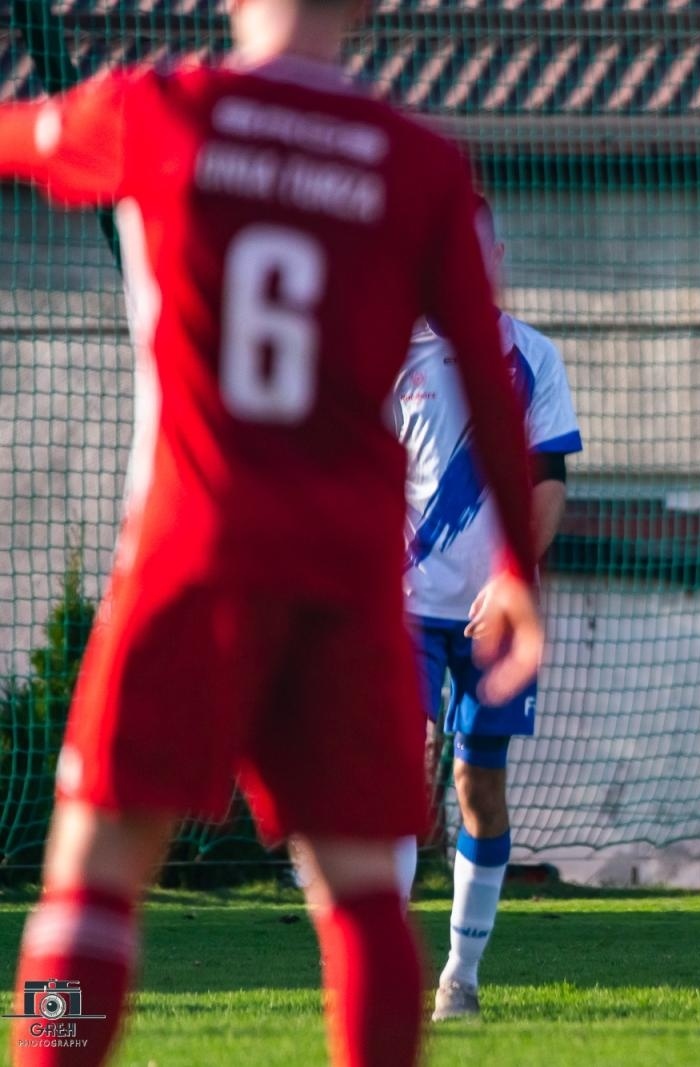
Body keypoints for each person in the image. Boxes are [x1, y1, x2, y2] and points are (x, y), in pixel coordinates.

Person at [0, 1, 547, 1064]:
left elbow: (22, 137)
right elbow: (491, 372)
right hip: (349, 575)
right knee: (358, 892)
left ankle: (47, 1052)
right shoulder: (419, 163)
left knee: (93, 869)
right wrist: (520, 567)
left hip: (192, 550)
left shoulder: (158, 111)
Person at [390, 201, 583, 1021]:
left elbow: (547, 487)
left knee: (480, 782)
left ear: (496, 257)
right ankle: (387, 973)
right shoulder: (384, 357)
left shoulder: (532, 358)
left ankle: (459, 977)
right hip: (400, 608)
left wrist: (513, 579)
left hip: (498, 617)